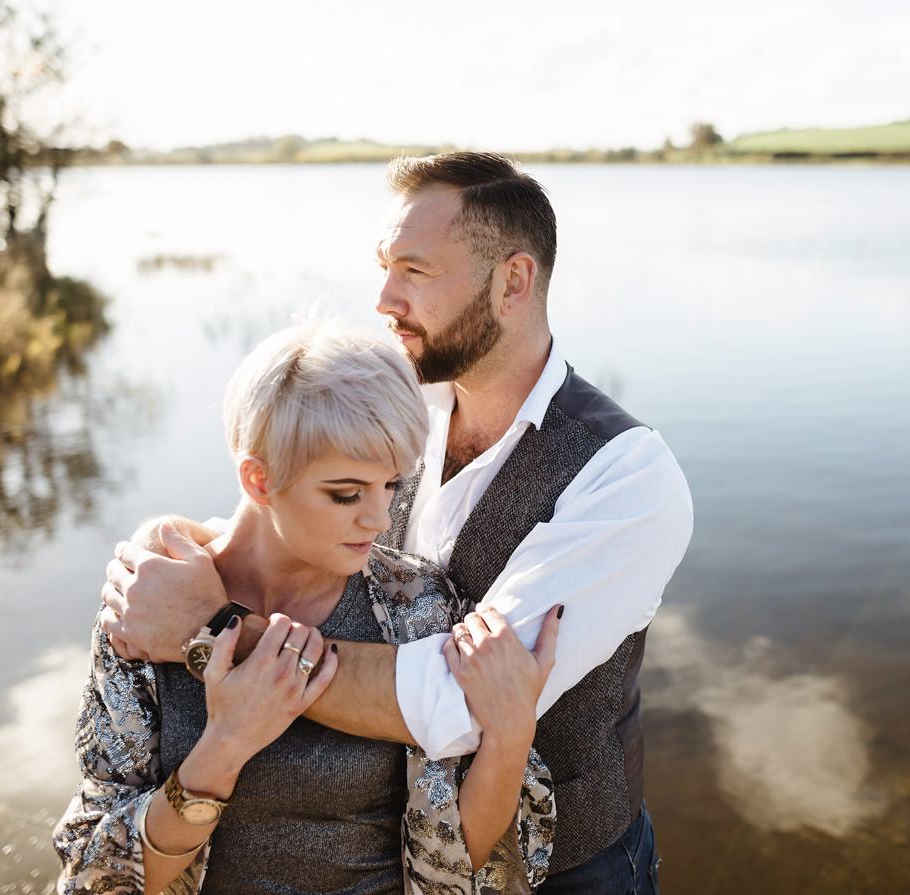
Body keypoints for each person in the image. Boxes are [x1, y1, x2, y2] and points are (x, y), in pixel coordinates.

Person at [102, 152, 693, 894]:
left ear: (513, 281)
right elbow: (293, 505)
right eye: (384, 267)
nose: (383, 298)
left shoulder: (627, 476)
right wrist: (173, 545)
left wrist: (209, 621)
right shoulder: (405, 409)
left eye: (414, 270)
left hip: (575, 868)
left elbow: (458, 705)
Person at [55, 321, 559, 894]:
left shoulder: (414, 606)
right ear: (259, 478)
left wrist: (511, 735)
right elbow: (96, 878)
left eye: (391, 486)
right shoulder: (146, 611)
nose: (378, 519)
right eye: (346, 493)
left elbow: (463, 864)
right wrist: (224, 748)